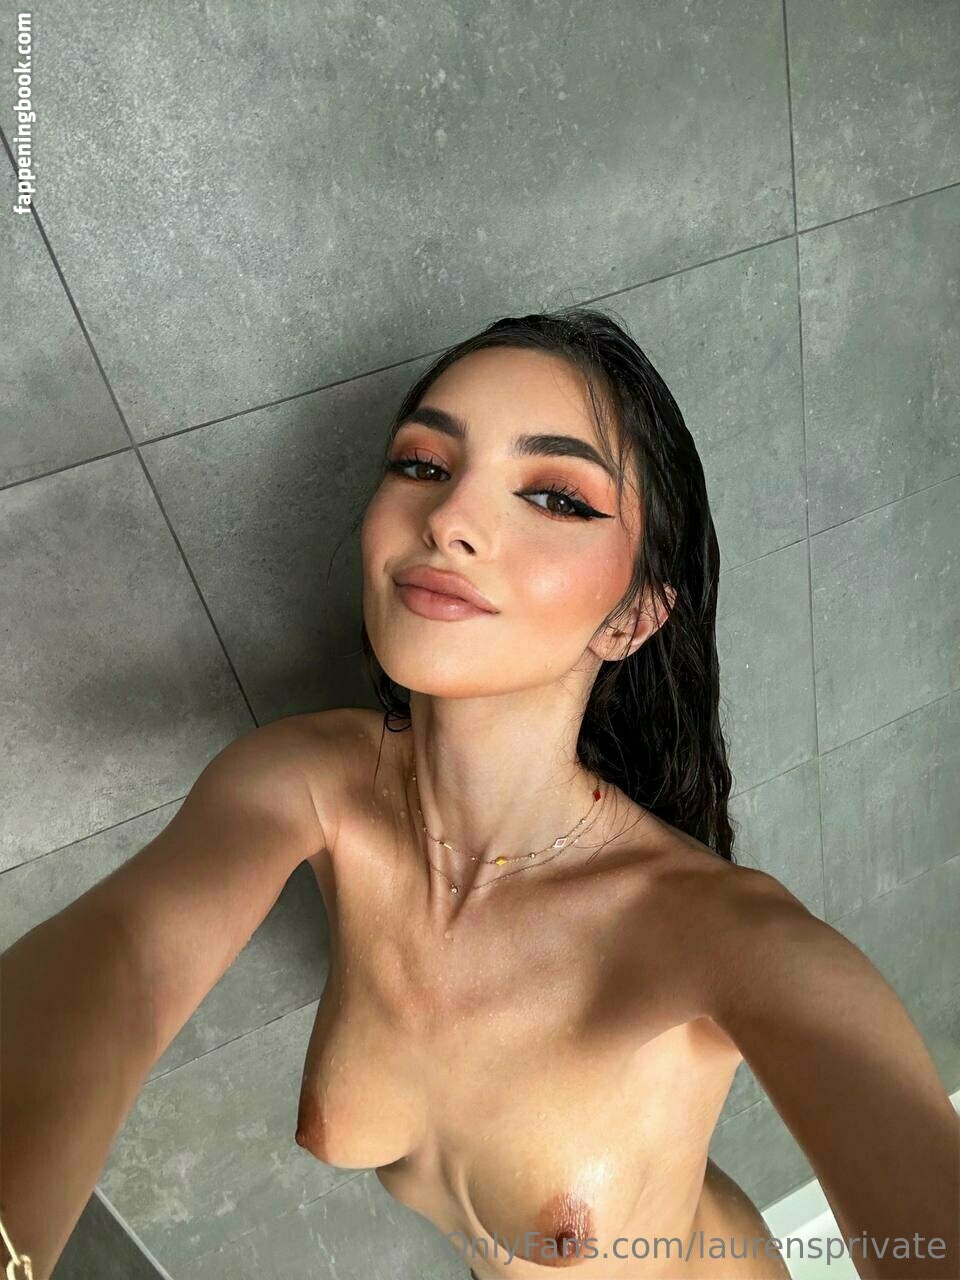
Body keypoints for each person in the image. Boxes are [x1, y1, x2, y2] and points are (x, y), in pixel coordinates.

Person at [3, 309, 957, 1280]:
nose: (449, 518)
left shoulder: (726, 935)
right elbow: (127, 960)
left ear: (632, 616)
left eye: (555, 495)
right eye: (422, 464)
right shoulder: (303, 783)